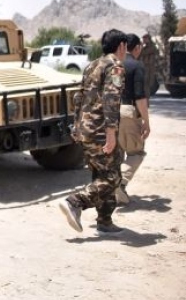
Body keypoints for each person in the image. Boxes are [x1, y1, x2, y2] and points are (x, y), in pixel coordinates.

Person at [58, 28, 128, 235]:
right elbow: (111, 99)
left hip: (85, 129)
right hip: (100, 131)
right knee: (113, 177)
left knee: (101, 173)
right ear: (121, 46)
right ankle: (75, 202)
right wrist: (111, 134)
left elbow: (79, 97)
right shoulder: (115, 66)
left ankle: (104, 221)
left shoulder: (92, 65)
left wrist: (76, 126)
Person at [116, 34, 150, 205]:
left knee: (117, 153)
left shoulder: (114, 64)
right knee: (136, 152)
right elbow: (140, 97)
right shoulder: (137, 66)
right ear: (137, 48)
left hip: (111, 112)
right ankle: (119, 183)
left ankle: (117, 193)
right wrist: (146, 121)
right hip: (128, 112)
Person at [139, 33, 158, 99]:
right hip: (145, 68)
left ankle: (146, 101)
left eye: (144, 39)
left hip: (149, 69)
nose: (143, 40)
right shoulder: (146, 47)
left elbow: (143, 53)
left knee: (146, 86)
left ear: (148, 39)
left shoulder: (152, 47)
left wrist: (141, 46)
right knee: (144, 86)